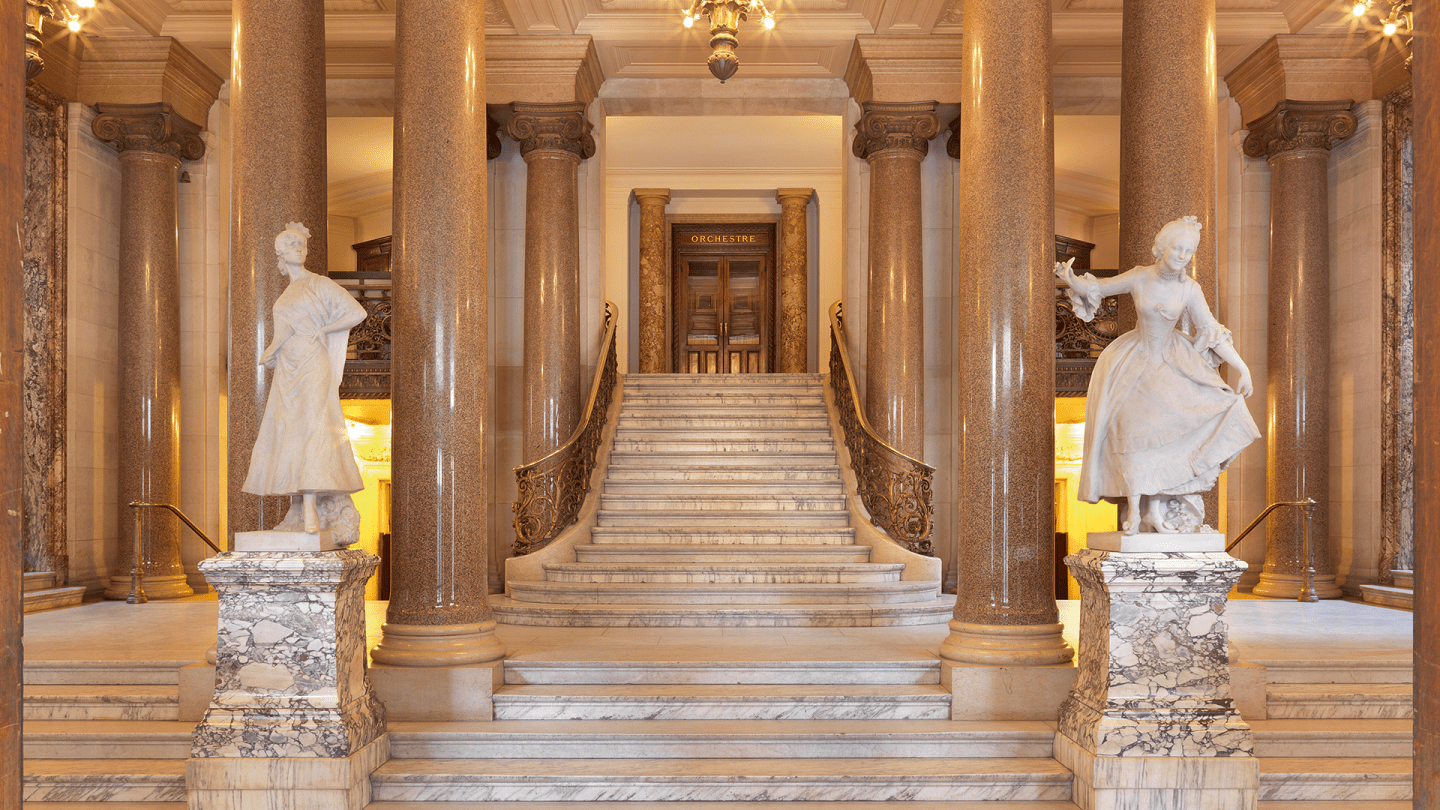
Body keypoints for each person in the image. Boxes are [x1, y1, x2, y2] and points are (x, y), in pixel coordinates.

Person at [1055, 215, 1260, 535]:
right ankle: (1134, 513)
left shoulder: (1191, 289)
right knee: (1133, 435)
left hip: (1174, 361)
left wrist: (1243, 368)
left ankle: (1153, 511)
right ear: (1162, 247)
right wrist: (1072, 279)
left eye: (1189, 251)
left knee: (1173, 435)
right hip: (1136, 360)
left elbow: (1212, 331)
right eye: (1178, 248)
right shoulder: (1139, 277)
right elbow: (1099, 287)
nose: (1183, 256)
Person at [242, 222, 367, 533]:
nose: (298, 249)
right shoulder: (286, 294)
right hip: (288, 366)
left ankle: (311, 508)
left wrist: (324, 330)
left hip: (313, 361)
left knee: (314, 429)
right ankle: (298, 508)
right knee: (290, 430)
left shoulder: (319, 284)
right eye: (291, 245)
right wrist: (271, 350)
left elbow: (357, 312)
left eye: (301, 244)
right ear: (281, 255)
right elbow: (283, 331)